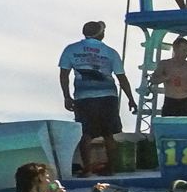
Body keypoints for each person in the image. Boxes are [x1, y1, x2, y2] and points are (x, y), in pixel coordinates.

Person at [58, 20, 137, 175]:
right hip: (108, 97)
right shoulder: (110, 52)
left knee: (85, 134)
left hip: (83, 97)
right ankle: (111, 169)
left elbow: (64, 75)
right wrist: (131, 99)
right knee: (108, 134)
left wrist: (67, 96)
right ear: (101, 34)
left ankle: (87, 169)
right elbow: (122, 78)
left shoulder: (71, 49)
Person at [145, 36, 187, 116]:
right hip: (170, 101)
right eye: (183, 50)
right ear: (175, 49)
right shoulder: (164, 64)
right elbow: (153, 80)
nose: (186, 53)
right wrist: (166, 78)